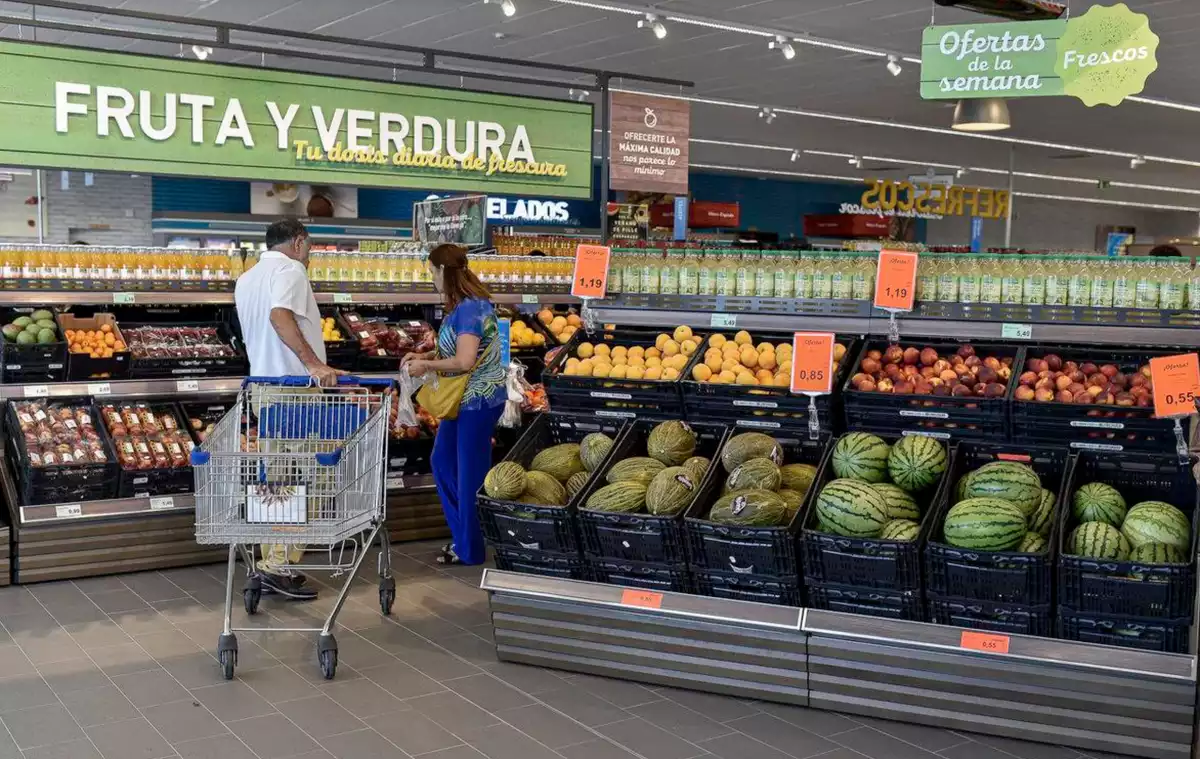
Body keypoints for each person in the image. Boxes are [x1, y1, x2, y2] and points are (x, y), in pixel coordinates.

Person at [234, 219, 342, 600]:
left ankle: (271, 561)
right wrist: (314, 364)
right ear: (299, 242)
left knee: (276, 479)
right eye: (309, 247)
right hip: (295, 391)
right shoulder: (291, 269)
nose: (309, 255)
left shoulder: (246, 279)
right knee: (312, 477)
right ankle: (278, 564)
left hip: (265, 389)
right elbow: (279, 316)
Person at [404, 244, 504, 565]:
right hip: (462, 401)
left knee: (469, 474)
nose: (431, 278)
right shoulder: (462, 306)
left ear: (443, 272)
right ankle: (465, 539)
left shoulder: (471, 309)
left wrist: (426, 368)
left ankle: (470, 549)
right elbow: (455, 350)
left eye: (432, 272)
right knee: (444, 462)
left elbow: (463, 360)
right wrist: (425, 356)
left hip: (478, 401)